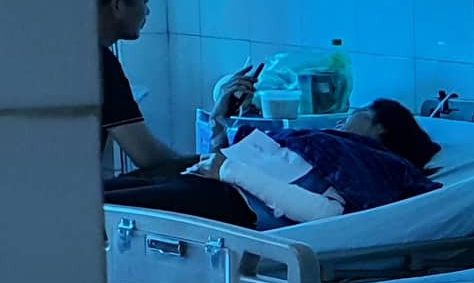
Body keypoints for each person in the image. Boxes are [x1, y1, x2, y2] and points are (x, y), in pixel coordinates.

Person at [101, 98, 442, 229]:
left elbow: (326, 213)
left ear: (380, 128)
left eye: (359, 113)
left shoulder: (365, 166)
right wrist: (220, 125)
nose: (344, 120)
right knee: (96, 195)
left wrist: (230, 171)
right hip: (202, 180)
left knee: (94, 209)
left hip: (226, 201)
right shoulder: (337, 148)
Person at [97, 0, 191, 172]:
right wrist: (217, 165)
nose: (147, 11)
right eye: (145, 0)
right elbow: (149, 158)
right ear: (118, 5)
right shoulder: (99, 64)